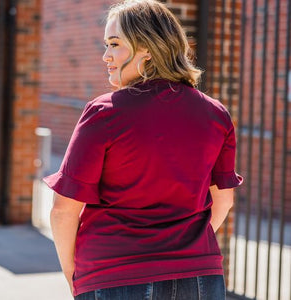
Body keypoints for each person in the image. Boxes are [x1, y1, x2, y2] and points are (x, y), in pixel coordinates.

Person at [43, 0, 243, 299]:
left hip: (114, 274)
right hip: (199, 276)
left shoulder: (105, 112)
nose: (105, 56)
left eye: (114, 44)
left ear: (147, 48)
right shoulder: (217, 114)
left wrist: (74, 275)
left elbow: (63, 210)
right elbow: (223, 202)